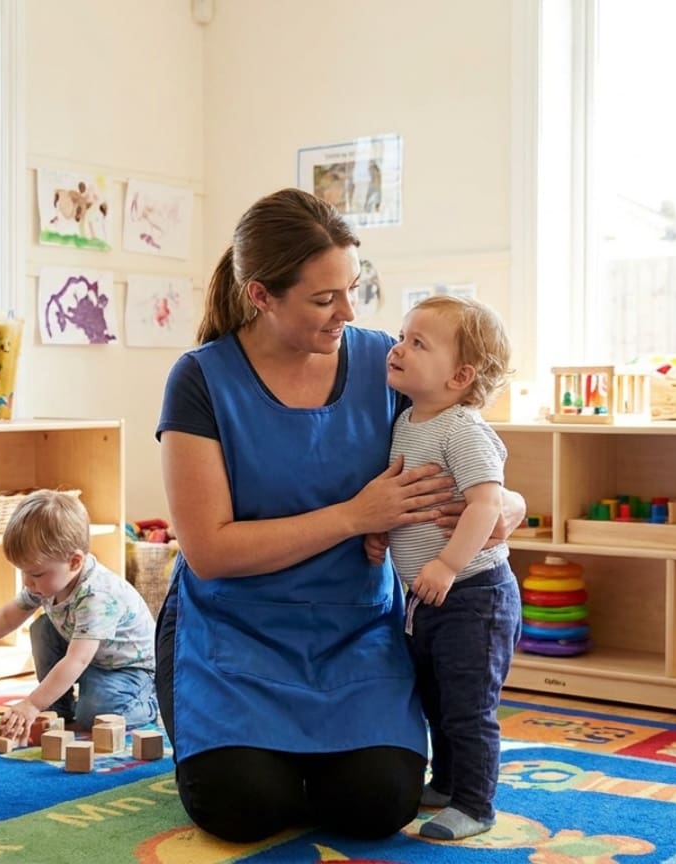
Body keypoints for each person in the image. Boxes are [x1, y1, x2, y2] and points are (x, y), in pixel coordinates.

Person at [156, 188, 527, 843]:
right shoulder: (199, 379)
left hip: (355, 632)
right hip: (232, 634)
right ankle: (259, 753)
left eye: (353, 289)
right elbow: (210, 551)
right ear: (261, 296)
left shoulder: (387, 362)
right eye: (325, 299)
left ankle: (318, 756)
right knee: (243, 809)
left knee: (378, 807)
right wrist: (356, 516)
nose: (348, 312)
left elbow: (478, 460)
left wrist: (506, 511)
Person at [376, 294, 520, 840]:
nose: (398, 348)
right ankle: (447, 781)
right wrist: (380, 536)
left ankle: (477, 805)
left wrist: (446, 563)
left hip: (474, 594)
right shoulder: (408, 420)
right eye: (401, 335)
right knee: (435, 697)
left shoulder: (462, 428)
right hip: (428, 597)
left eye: (418, 343)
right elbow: (402, 495)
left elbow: (488, 503)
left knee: (469, 706)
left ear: (460, 376)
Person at [0, 490, 157, 740]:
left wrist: (32, 704)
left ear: (75, 562)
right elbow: (7, 616)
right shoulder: (48, 583)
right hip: (90, 657)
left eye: (35, 574)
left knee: (95, 717)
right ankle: (59, 706)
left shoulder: (97, 596)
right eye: (23, 573)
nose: (27, 582)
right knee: (42, 628)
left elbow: (77, 660)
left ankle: (150, 702)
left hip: (128, 669)